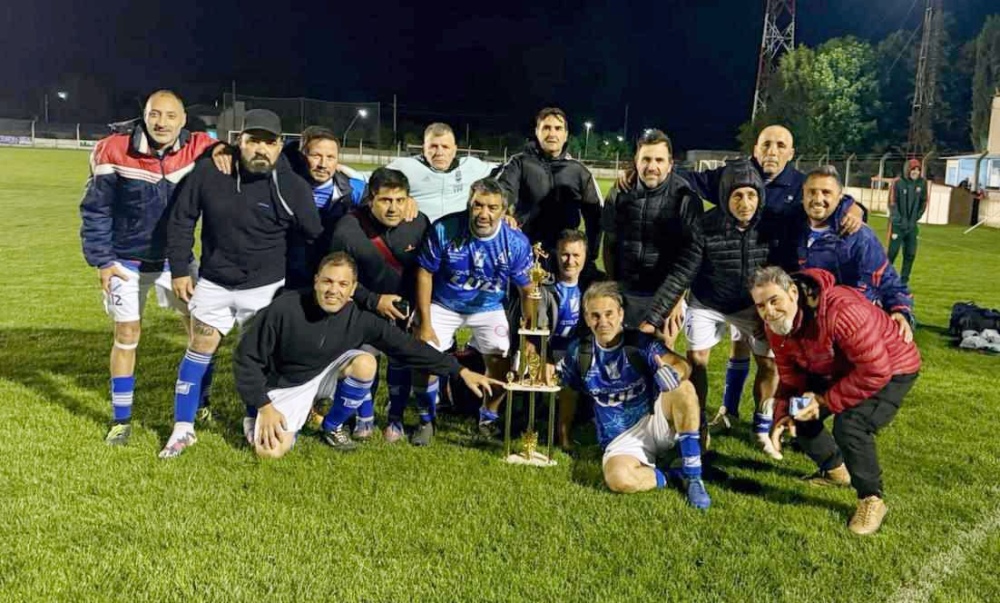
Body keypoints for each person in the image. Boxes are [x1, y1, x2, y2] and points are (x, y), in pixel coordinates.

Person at [162, 109, 322, 459]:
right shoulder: (209, 172)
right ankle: (183, 428)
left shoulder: (291, 186)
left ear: (281, 147)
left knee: (258, 355)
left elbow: (313, 236)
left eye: (269, 142)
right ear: (239, 142)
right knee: (200, 346)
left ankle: (254, 417)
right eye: (253, 141)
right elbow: (181, 220)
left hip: (265, 288)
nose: (261, 149)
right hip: (214, 283)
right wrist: (178, 268)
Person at [680, 125, 863, 428]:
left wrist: (854, 207)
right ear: (756, 148)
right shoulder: (734, 173)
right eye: (766, 144)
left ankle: (764, 424)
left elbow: (827, 198)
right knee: (733, 348)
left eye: (780, 145)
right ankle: (726, 411)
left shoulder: (800, 184)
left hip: (766, 293)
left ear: (791, 153)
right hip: (720, 285)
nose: (772, 151)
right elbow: (689, 178)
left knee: (771, 360)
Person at [235, 252, 499, 457]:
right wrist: (263, 405)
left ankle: (332, 425)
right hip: (286, 385)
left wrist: (460, 371)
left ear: (353, 289)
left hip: (325, 374)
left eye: (342, 284)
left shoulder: (361, 320)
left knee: (365, 362)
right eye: (327, 281)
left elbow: (408, 348)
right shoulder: (284, 308)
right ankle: (281, 414)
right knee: (269, 453)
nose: (333, 290)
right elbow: (246, 358)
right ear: (316, 281)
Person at [79, 89, 221, 446]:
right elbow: (95, 210)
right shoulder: (113, 148)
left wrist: (221, 150)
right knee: (127, 335)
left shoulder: (199, 146)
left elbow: (237, 151)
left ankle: (200, 402)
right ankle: (120, 419)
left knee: (203, 331)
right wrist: (103, 261)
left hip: (178, 262)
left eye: (170, 116)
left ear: (183, 120)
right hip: (125, 261)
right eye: (155, 114)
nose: (162, 122)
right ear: (144, 115)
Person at [750, 266, 920, 535]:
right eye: (761, 306)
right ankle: (835, 470)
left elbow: (875, 369)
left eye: (774, 301)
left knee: (851, 425)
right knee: (798, 414)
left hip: (892, 367)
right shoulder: (774, 327)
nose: (769, 312)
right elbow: (791, 376)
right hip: (839, 367)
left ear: (793, 292)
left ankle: (871, 499)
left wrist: (825, 401)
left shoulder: (840, 310)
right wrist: (783, 412)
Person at [639, 161, 781, 458]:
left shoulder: (771, 226)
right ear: (725, 197)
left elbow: (781, 271)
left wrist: (766, 311)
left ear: (760, 198)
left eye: (751, 196)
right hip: (708, 301)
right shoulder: (705, 227)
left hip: (749, 305)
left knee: (769, 363)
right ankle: (699, 422)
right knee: (698, 361)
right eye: (737, 196)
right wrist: (653, 319)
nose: (745, 203)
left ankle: (762, 426)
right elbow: (682, 272)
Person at [556, 281, 710, 509]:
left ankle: (694, 477)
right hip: (622, 439)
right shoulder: (579, 352)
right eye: (595, 316)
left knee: (683, 387)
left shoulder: (638, 343)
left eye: (609, 314)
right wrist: (564, 434)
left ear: (620, 314)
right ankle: (673, 475)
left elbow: (681, 364)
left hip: (654, 418)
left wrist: (674, 372)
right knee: (618, 479)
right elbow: (569, 392)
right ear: (587, 318)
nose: (603, 322)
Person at [414, 178, 533, 439]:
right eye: (478, 206)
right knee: (424, 356)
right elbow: (425, 273)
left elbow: (527, 291)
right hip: (445, 303)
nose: (484, 214)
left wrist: (530, 334)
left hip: (488, 306)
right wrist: (425, 322)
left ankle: (488, 419)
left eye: (492, 207)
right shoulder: (445, 228)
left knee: (501, 358)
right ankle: (426, 419)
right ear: (469, 203)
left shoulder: (515, 243)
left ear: (504, 211)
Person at [328, 167, 431, 443]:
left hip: (404, 309)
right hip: (364, 308)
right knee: (367, 360)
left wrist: (420, 309)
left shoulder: (419, 222)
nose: (393, 208)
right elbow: (338, 278)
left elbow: (426, 270)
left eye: (400, 200)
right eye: (385, 200)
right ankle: (365, 417)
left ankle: (395, 418)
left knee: (400, 361)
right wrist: (373, 300)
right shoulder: (348, 228)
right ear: (371, 198)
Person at [791, 166, 915, 342]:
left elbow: (886, 278)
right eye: (812, 192)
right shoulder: (792, 228)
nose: (818, 199)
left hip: (852, 328)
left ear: (840, 197)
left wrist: (900, 311)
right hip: (810, 328)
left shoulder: (858, 235)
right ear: (803, 194)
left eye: (826, 192)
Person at [507, 229, 605, 449]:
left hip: (579, 348)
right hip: (545, 344)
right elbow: (533, 327)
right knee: (527, 361)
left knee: (571, 377)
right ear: (556, 254)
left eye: (576, 255)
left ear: (585, 256)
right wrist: (544, 356)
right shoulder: (541, 280)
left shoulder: (596, 283)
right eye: (565, 254)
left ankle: (563, 433)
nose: (570, 261)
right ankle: (525, 422)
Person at [602, 129, 702, 328]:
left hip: (664, 293)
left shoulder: (686, 198)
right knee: (625, 352)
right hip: (625, 290)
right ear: (636, 161)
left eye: (659, 160)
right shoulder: (619, 193)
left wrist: (675, 300)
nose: (652, 166)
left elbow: (690, 258)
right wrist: (613, 287)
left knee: (660, 353)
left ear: (670, 164)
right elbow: (609, 244)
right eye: (646, 159)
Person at [495, 107, 603, 264]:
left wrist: (590, 254)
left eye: (558, 128)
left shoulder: (579, 171)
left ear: (565, 135)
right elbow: (501, 192)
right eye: (546, 127)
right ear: (537, 131)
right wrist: (503, 212)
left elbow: (595, 217)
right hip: (526, 252)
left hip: (566, 258)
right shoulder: (519, 163)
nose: (552, 134)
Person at [387, 122, 496, 224]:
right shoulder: (405, 166)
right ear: (424, 148)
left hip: (459, 234)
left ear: (454, 150)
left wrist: (507, 212)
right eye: (433, 147)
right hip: (419, 234)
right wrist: (402, 198)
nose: (439, 152)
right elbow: (374, 184)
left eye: (445, 147)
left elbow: (507, 173)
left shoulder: (471, 166)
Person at [888, 158, 928, 286]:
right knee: (892, 253)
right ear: (907, 170)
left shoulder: (922, 183)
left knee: (910, 253)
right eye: (913, 169)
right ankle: (884, 278)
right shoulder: (898, 182)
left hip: (912, 226)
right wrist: (899, 220)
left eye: (918, 169)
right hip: (897, 226)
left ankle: (903, 281)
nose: (915, 172)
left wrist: (916, 217)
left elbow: (924, 201)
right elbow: (892, 203)